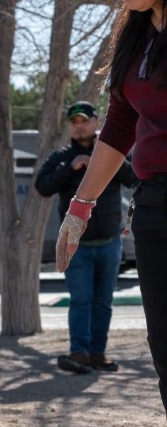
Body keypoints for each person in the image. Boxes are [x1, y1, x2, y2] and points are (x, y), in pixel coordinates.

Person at [61, 0, 167, 427]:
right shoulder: (137, 35)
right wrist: (78, 208)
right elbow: (122, 125)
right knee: (166, 355)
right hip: (154, 208)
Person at [36, 101, 136, 375]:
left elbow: (134, 177)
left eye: (84, 121)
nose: (79, 126)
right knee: (80, 300)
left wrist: (103, 166)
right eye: (74, 122)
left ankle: (97, 354)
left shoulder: (112, 154)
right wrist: (71, 167)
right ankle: (78, 354)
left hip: (109, 243)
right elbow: (42, 186)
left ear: (96, 122)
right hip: (75, 245)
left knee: (103, 302)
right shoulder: (61, 157)